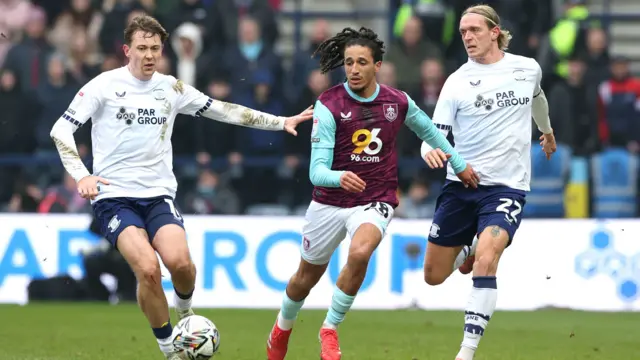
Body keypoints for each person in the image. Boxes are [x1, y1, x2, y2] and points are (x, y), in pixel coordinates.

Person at [49, 15, 312, 360]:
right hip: (114, 198)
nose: (148, 55)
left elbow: (224, 110)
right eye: (141, 48)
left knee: (183, 266)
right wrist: (82, 175)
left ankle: (186, 317)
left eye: (155, 48)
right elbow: (61, 130)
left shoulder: (171, 88)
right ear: (127, 50)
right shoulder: (102, 86)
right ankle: (170, 349)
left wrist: (281, 122)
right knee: (147, 269)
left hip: (158, 195)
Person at [266, 27, 479, 360]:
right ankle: (281, 329)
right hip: (329, 202)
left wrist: (460, 163)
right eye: (349, 62)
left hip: (374, 198)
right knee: (303, 280)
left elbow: (431, 132)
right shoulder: (329, 104)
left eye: (361, 62)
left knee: (361, 252)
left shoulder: (397, 101)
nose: (353, 69)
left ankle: (330, 329)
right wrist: (339, 177)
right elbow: (316, 171)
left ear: (377, 65)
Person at [418, 5, 557, 360]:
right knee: (433, 276)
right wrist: (429, 152)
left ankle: (466, 351)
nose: (467, 37)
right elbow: (434, 135)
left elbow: (537, 98)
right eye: (463, 31)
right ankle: (466, 249)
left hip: (508, 188)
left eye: (474, 30)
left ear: (495, 32)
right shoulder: (456, 81)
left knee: (489, 256)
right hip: (461, 187)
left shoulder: (527, 68)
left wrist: (546, 130)